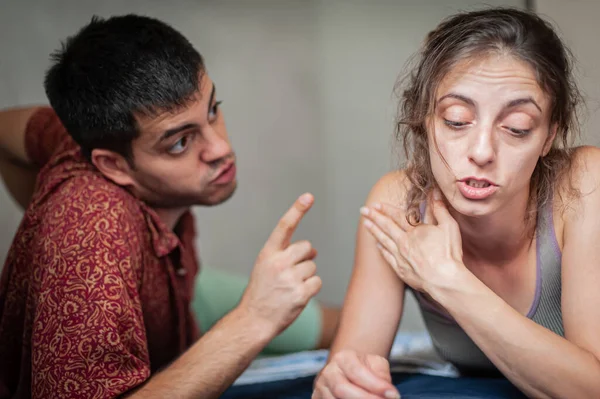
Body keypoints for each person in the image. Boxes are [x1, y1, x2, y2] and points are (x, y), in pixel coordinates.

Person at [0, 14, 339, 399]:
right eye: (180, 143)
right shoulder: (88, 239)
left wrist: (40, 222)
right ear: (113, 166)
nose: (221, 149)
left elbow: (4, 130)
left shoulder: (76, 138)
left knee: (339, 325)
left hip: (180, 288)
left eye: (213, 110)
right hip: (124, 283)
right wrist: (253, 320)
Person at [313, 7, 600, 399]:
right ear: (424, 120)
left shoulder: (584, 184)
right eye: (456, 119)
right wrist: (343, 384)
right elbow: (350, 369)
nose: (482, 152)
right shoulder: (399, 205)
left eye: (517, 128)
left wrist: (449, 281)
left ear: (548, 137)